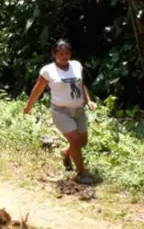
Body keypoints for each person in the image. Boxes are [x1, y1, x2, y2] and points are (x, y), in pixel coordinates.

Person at [23, 40, 97, 184]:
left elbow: (81, 85)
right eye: (61, 54)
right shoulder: (48, 70)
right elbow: (38, 89)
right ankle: (81, 173)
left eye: (67, 53)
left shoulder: (76, 65)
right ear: (54, 54)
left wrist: (88, 100)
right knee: (75, 140)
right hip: (60, 111)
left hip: (78, 109)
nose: (64, 56)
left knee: (82, 141)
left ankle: (66, 153)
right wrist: (28, 107)